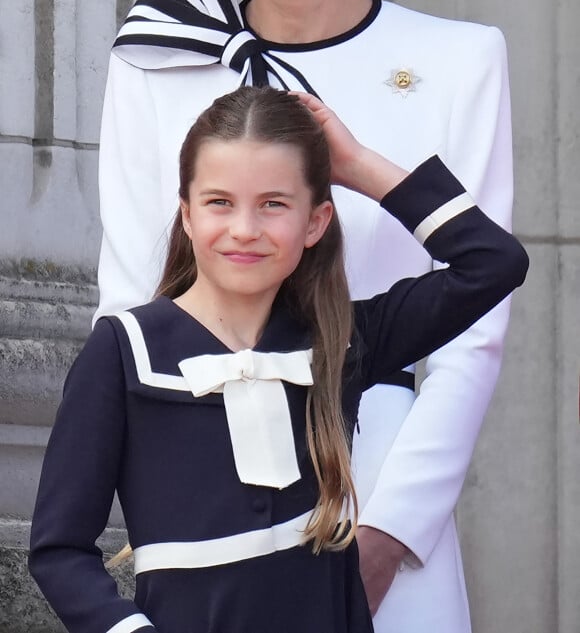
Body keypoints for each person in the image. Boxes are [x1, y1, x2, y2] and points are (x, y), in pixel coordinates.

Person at [95, 0, 513, 633]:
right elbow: (129, 305)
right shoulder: (157, 62)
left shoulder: (458, 60)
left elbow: (474, 328)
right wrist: (172, 520)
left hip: (384, 479)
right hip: (211, 497)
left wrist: (387, 539)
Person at [30, 87, 528, 633]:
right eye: (219, 202)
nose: (245, 228)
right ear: (188, 216)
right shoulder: (123, 350)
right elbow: (60, 550)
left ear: (315, 223)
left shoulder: (343, 339)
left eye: (274, 203)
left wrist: (358, 164)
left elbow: (494, 262)